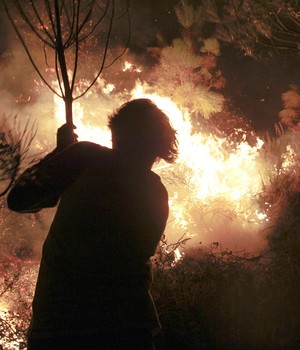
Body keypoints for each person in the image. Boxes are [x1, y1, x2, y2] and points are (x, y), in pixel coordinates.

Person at [7, 98, 178, 350]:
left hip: (62, 324)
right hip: (128, 326)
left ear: (118, 135)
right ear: (157, 147)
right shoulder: (156, 192)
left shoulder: (85, 158)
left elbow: (20, 199)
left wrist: (61, 153)